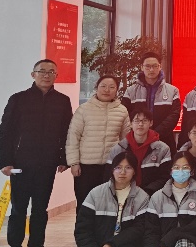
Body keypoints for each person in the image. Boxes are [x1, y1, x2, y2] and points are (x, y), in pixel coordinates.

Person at [0, 59, 73, 247]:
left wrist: (63, 159)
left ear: (56, 75)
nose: (46, 75)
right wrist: (5, 162)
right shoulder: (18, 99)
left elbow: (67, 132)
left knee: (40, 209)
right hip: (21, 164)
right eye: (42, 71)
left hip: (47, 164)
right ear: (33, 74)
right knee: (18, 210)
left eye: (51, 72)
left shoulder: (62, 101)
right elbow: (6, 132)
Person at [67, 151, 150, 247]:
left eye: (128, 168)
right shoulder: (96, 194)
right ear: (112, 170)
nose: (122, 172)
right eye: (118, 167)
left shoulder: (142, 197)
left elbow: (139, 229)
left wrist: (113, 243)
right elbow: (82, 231)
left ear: (135, 171)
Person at [66, 75, 131, 209]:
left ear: (116, 90)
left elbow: (126, 139)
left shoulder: (122, 111)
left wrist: (124, 163)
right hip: (86, 166)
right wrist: (74, 163)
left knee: (108, 204)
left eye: (111, 87)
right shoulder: (84, 109)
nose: (107, 90)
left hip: (111, 166)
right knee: (85, 204)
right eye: (103, 86)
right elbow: (73, 137)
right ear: (96, 88)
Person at [106, 107, 172, 196]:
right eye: (136, 121)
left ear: (151, 123)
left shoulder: (162, 149)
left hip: (152, 195)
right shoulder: (118, 149)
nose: (140, 124)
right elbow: (108, 175)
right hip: (122, 194)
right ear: (130, 123)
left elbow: (165, 177)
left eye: (144, 121)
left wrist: (146, 193)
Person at [122, 52, 181, 151]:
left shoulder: (172, 90)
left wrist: (155, 134)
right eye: (148, 66)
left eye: (155, 66)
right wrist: (140, 133)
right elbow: (125, 115)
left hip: (165, 140)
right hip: (137, 141)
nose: (151, 69)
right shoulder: (131, 91)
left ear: (160, 66)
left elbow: (174, 116)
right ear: (142, 67)